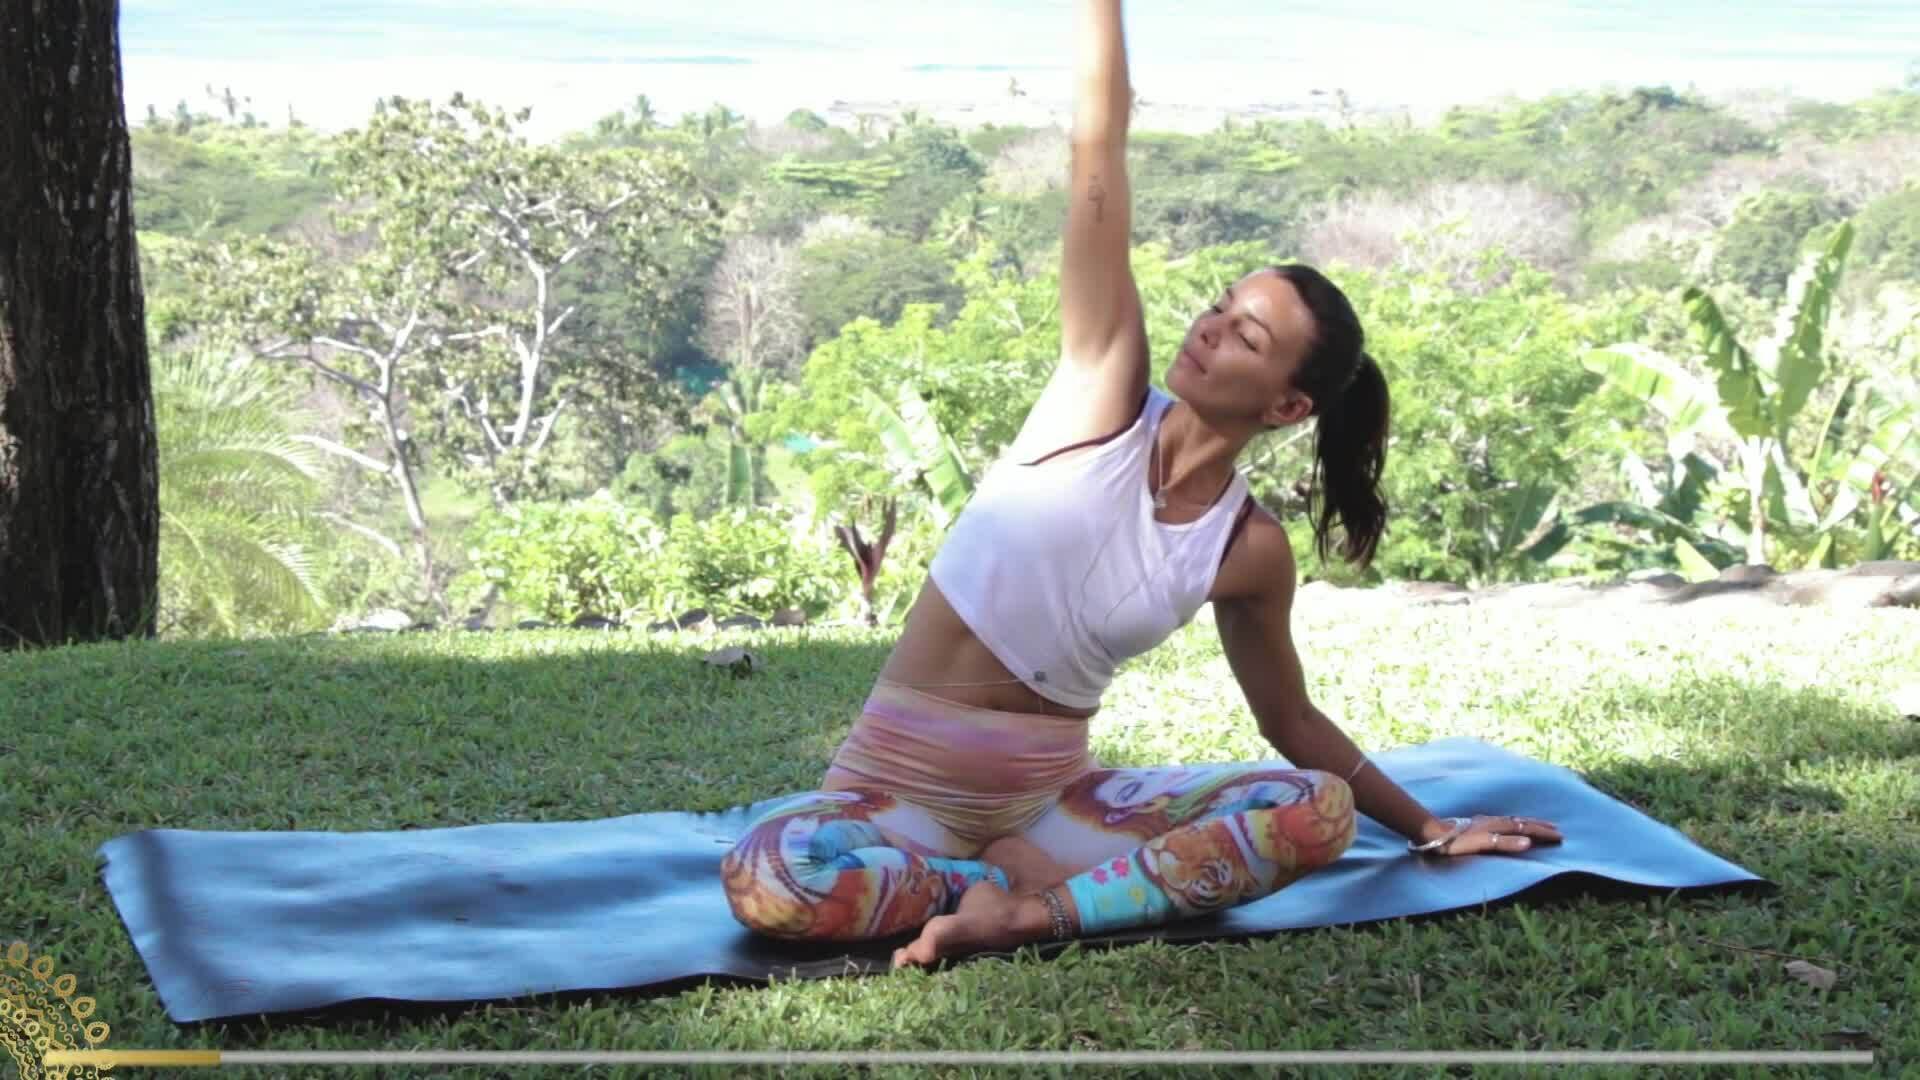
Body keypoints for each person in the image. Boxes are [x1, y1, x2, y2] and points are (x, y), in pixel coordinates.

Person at [721, 0, 1563, 969]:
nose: (1210, 329)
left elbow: (1288, 720)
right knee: (772, 879)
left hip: (1056, 803)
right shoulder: (1100, 392)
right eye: (1220, 308)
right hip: (896, 792)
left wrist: (1428, 827)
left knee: (1315, 813)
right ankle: (991, 883)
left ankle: (1034, 913)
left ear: (1288, 405)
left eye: (1247, 336)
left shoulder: (1248, 547)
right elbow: (1098, 154)